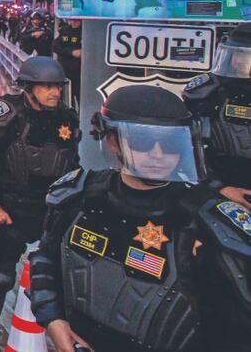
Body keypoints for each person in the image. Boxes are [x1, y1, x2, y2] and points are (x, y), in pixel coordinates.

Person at [29, 85, 251, 352]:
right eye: (144, 141)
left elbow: (237, 327)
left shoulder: (207, 223)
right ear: (113, 141)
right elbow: (45, 259)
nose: (158, 153)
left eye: (169, 143)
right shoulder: (77, 197)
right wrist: (52, 318)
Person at [0, 55, 80, 352]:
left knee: (59, 280)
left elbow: (72, 165)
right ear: (28, 88)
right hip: (11, 209)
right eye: (46, 87)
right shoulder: (7, 114)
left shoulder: (67, 117)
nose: (54, 93)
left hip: (51, 211)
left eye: (57, 87)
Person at [183, 21, 251, 203]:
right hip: (218, 191)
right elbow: (184, 149)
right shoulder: (206, 94)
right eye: (237, 54)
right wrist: (217, 187)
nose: (239, 61)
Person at [51, 18, 81, 105]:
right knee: (66, 98)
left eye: (76, 20)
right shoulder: (65, 31)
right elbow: (55, 46)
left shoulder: (86, 32)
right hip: (66, 69)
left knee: (81, 97)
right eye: (72, 20)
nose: (74, 22)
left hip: (81, 71)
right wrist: (71, 52)